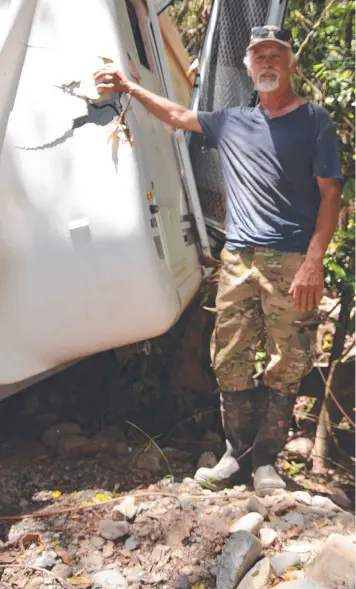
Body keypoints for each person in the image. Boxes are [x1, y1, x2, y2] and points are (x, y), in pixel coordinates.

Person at [93, 25, 342, 496]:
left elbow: (331, 196)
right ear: (249, 68)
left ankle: (266, 463)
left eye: (276, 55)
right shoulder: (232, 121)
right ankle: (235, 456)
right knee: (229, 356)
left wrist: (312, 262)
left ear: (290, 64)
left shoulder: (313, 120)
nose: (267, 62)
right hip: (237, 260)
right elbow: (178, 115)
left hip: (290, 259)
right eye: (259, 56)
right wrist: (127, 86)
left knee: (288, 361)